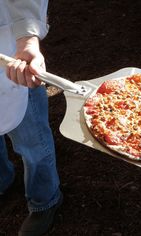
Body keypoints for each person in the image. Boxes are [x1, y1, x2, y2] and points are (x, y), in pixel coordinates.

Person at [0, 1, 62, 235]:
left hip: (10, 46)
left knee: (32, 141)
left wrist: (27, 37)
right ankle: (2, 180)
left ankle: (45, 199)